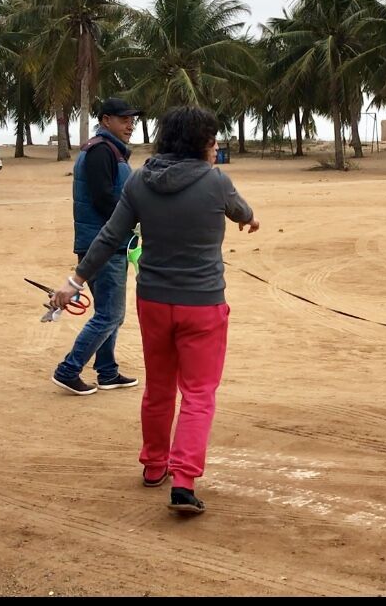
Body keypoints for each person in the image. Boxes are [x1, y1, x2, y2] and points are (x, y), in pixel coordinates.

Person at [51, 106, 259, 515]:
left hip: (155, 303)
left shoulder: (140, 180)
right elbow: (242, 211)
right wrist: (250, 221)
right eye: (213, 140)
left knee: (159, 388)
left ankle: (153, 465)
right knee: (198, 393)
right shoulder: (216, 181)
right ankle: (183, 481)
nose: (216, 147)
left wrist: (74, 282)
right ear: (202, 143)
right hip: (203, 304)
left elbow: (110, 236)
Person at [51, 97, 143, 396]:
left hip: (108, 243)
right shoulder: (101, 151)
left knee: (109, 311)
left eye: (132, 120)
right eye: (124, 119)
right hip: (102, 245)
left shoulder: (109, 149)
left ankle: (107, 372)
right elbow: (104, 199)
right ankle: (68, 370)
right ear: (106, 120)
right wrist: (134, 218)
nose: (130, 125)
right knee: (110, 314)